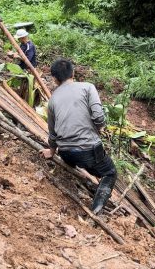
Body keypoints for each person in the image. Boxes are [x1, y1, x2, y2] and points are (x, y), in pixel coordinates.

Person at [39, 58, 117, 214]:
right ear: (73, 73)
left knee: (81, 160)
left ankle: (81, 176)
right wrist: (99, 128)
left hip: (66, 153)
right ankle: (96, 210)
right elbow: (99, 117)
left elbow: (53, 132)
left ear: (55, 79)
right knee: (110, 172)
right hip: (88, 152)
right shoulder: (87, 87)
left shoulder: (53, 99)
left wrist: (51, 151)